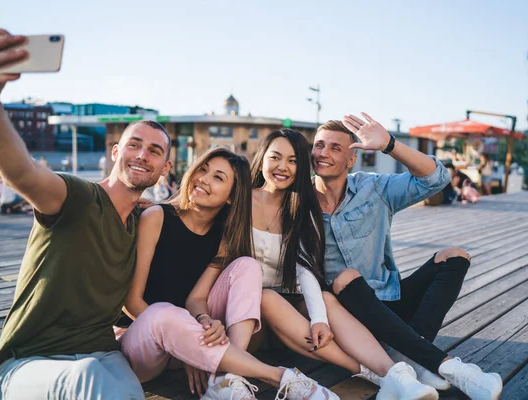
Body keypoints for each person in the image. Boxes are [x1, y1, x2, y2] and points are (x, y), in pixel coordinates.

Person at [0, 28, 172, 400]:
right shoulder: (76, 197)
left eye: (155, 151)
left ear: (165, 168)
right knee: (88, 379)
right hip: (26, 363)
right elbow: (21, 172)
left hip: (102, 354)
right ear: (114, 152)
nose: (143, 155)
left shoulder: (141, 222)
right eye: (134, 144)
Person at [117, 147, 338, 400]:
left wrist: (203, 320)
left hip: (191, 343)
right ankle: (279, 377)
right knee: (163, 313)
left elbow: (196, 299)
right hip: (142, 345)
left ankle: (223, 379)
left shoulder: (223, 235)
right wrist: (188, 342)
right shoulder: (157, 217)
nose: (203, 179)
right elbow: (131, 301)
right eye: (203, 170)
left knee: (247, 266)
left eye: (218, 178)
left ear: (232, 197)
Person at [311, 114, 503, 400]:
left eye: (335, 148)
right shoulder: (298, 201)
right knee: (346, 277)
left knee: (454, 257)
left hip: (388, 302)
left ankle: (411, 356)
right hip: (344, 319)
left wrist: (389, 144)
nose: (323, 153)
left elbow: (437, 179)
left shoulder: (373, 187)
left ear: (352, 160)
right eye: (318, 145)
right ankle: (448, 367)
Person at [250, 129, 439, 400]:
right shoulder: (241, 199)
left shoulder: (301, 208)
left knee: (323, 299)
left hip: (286, 312)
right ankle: (375, 374)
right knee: (266, 297)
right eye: (275, 158)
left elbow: (304, 268)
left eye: (292, 161)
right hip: (245, 315)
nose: (283, 167)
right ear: (262, 159)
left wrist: (318, 320)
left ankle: (397, 376)